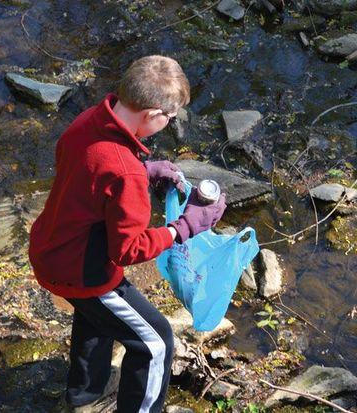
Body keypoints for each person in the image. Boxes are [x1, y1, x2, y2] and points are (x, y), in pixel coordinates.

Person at [28, 55, 227, 413]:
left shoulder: (89, 120)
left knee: (96, 319)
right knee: (156, 343)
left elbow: (88, 171)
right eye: (169, 117)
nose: (169, 123)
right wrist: (186, 226)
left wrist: (145, 169)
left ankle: (85, 396)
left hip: (50, 248)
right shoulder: (124, 174)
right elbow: (128, 251)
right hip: (83, 273)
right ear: (152, 115)